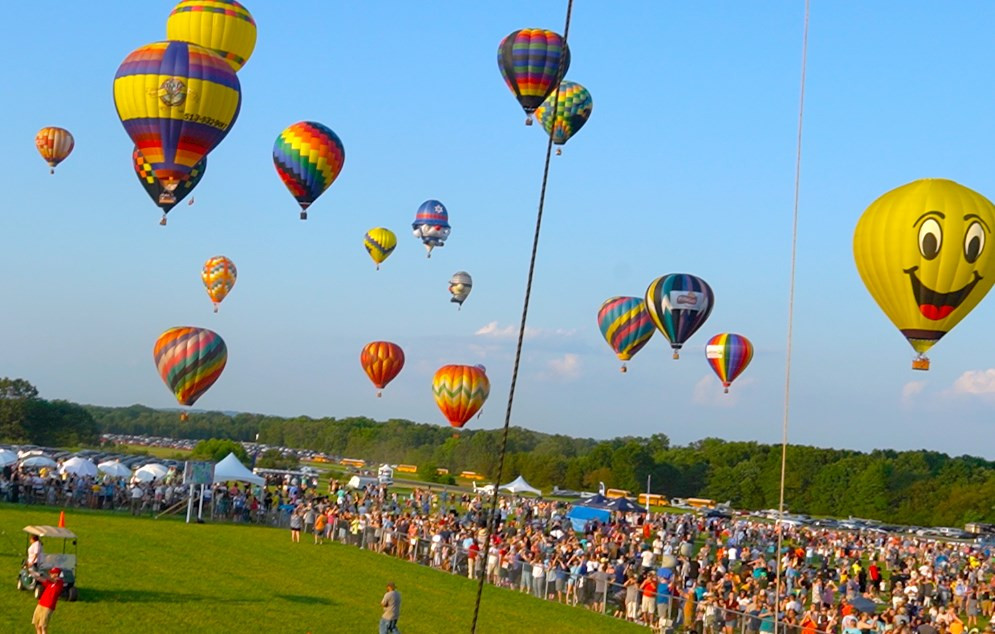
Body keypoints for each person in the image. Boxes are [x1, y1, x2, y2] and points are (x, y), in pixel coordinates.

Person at [29, 567, 63, 634]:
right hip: (41, 603)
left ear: (56, 574)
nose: (51, 574)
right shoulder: (50, 583)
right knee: (36, 623)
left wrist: (42, 574)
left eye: (52, 573)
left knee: (43, 626)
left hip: (48, 606)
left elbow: (50, 579)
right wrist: (31, 572)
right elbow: (40, 579)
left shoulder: (59, 582)